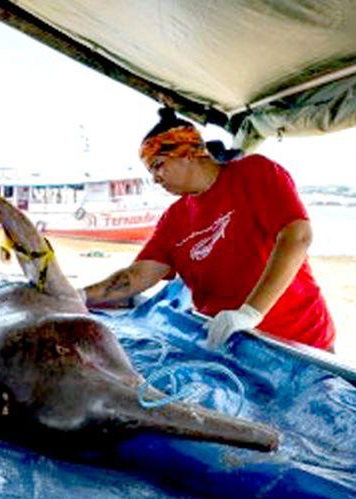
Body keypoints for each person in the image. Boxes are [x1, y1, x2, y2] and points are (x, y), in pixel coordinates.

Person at [81, 108, 335, 351]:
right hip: (233, 346)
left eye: (158, 165)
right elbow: (136, 277)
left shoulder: (253, 173)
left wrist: (250, 313)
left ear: (188, 153)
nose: (156, 179)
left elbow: (297, 236)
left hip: (301, 341)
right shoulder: (174, 218)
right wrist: (79, 295)